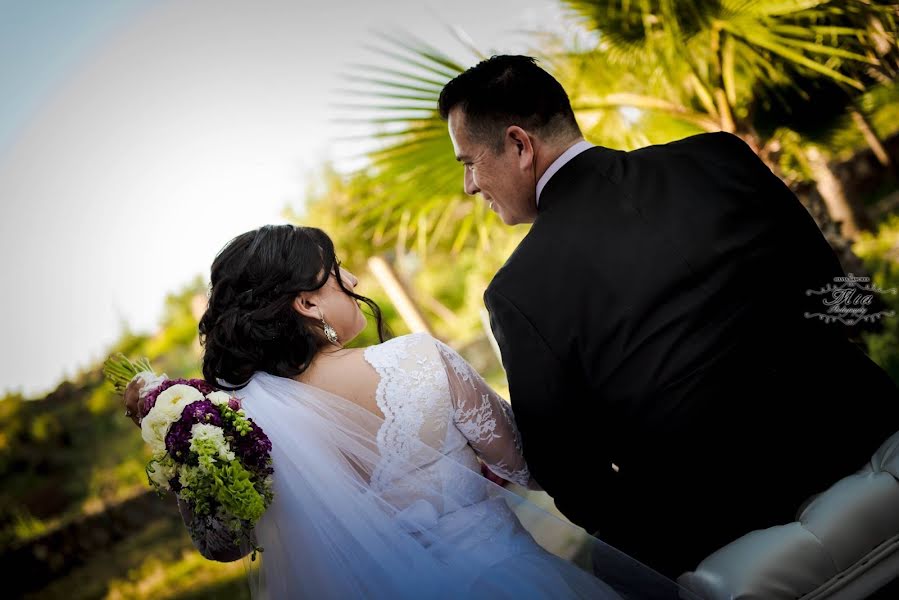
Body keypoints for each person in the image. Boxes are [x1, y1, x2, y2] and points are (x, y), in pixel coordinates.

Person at [438, 54, 899, 578]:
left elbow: (571, 478)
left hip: (728, 522)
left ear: (520, 145)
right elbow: (835, 291)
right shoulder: (719, 156)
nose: (471, 186)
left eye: (469, 163)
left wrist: (680, 558)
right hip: (866, 424)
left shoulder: (517, 291)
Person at [123, 224, 690, 599]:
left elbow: (224, 545)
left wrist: (169, 434)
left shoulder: (234, 425)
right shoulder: (415, 362)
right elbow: (531, 468)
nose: (354, 281)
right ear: (307, 303)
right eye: (338, 272)